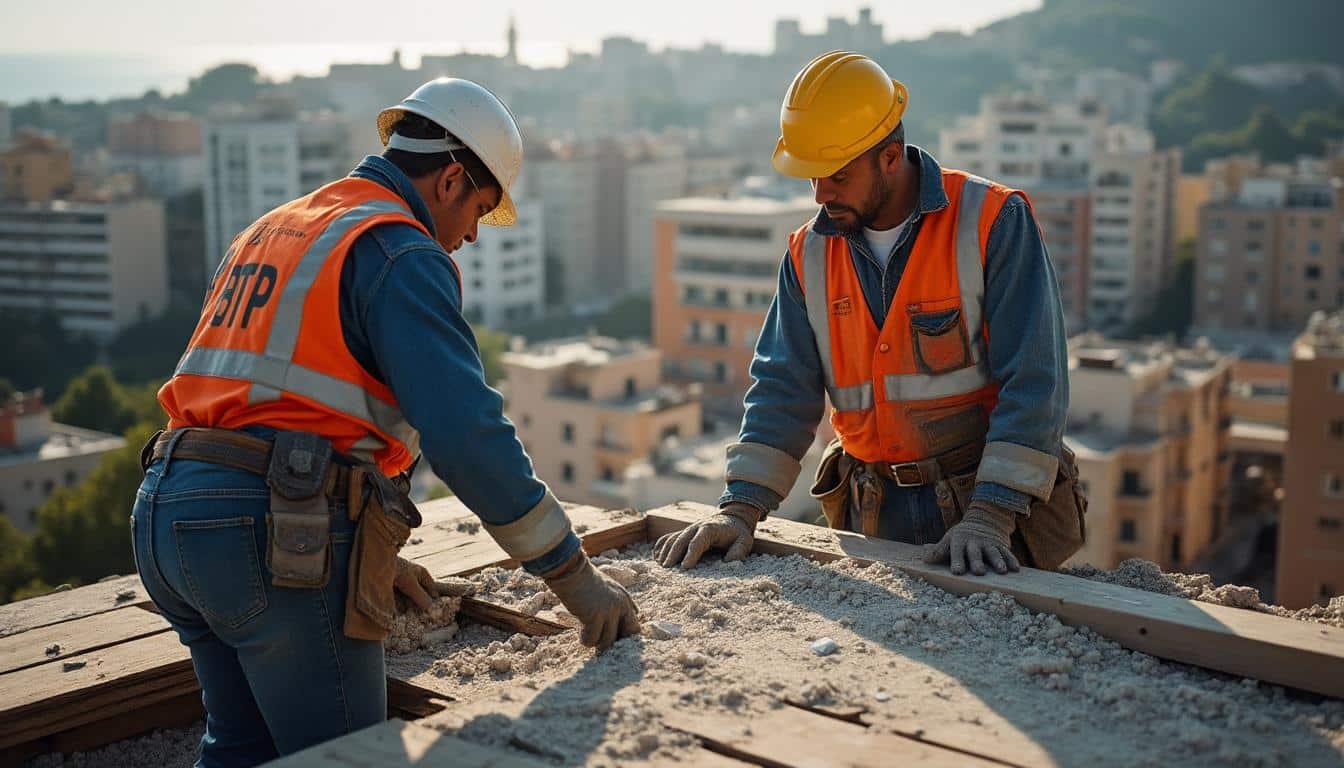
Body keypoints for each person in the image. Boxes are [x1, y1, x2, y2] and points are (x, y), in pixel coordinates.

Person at [132, 78, 639, 767]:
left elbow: (266, 406)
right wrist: (574, 579)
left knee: (241, 748)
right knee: (349, 757)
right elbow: (467, 438)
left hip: (166, 516)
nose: (466, 241)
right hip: (268, 534)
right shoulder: (399, 249)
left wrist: (365, 548)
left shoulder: (280, 227)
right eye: (479, 214)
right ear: (453, 180)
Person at [655, 52, 1085, 578]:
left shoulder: (991, 221)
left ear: (889, 156)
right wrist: (740, 510)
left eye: (836, 174)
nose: (820, 193)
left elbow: (1037, 380)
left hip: (993, 517)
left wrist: (990, 516)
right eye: (811, 175)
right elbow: (782, 388)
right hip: (874, 513)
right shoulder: (808, 255)